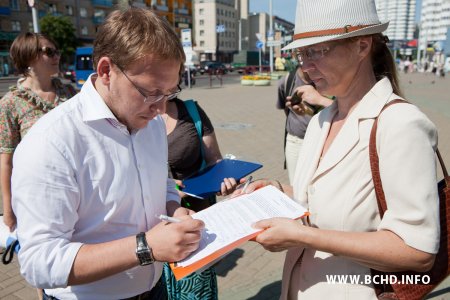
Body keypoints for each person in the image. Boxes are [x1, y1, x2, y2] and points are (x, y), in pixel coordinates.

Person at [238, 0, 440, 299]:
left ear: (362, 46)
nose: (305, 68)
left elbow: (416, 251)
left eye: (317, 51)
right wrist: (279, 190)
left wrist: (304, 235)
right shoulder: (321, 118)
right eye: (301, 54)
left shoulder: (400, 124)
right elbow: (329, 198)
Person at [11, 8, 204, 300]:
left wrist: (174, 209)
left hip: (155, 289)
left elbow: (162, 182)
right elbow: (40, 262)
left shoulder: (149, 122)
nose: (161, 107)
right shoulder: (51, 141)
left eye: (169, 92)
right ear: (105, 71)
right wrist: (145, 247)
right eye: (150, 91)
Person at [162, 95, 237, 299]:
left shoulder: (191, 111)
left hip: (196, 214)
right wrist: (165, 190)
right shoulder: (131, 116)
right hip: (153, 224)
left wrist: (224, 180)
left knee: (196, 290)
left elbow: (215, 160)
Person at [0, 32, 76, 232]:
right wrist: (7, 208)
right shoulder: (10, 103)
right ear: (28, 57)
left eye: (57, 51)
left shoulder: (69, 93)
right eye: (50, 52)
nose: (57, 57)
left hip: (76, 190)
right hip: (35, 197)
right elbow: (6, 159)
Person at [277, 66, 333, 184]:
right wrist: (305, 111)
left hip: (322, 142)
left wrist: (320, 99)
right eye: (301, 54)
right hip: (295, 141)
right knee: (296, 186)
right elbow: (285, 108)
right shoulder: (287, 79)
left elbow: (349, 111)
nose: (307, 62)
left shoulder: (331, 80)